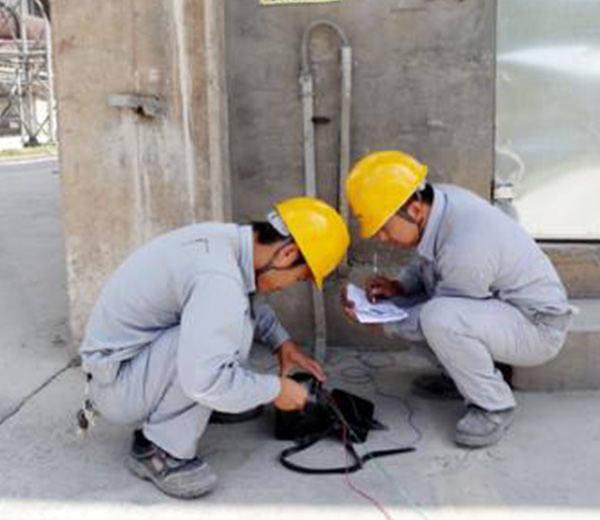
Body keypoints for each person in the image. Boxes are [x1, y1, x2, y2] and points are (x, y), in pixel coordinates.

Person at [79, 197, 350, 498]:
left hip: (126, 368)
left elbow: (250, 297)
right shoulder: (220, 280)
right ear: (287, 253)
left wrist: (281, 342)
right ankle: (157, 448)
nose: (286, 286)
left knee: (229, 325)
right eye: (297, 278)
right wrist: (277, 390)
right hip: (118, 388)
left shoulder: (228, 242)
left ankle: (199, 404)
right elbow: (204, 377)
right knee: (221, 345)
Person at [342, 150, 571, 448]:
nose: (382, 237)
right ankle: (462, 379)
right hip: (502, 312)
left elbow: (439, 316)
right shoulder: (440, 203)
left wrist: (381, 322)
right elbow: (427, 261)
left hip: (537, 327)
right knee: (417, 313)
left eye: (384, 226)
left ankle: (493, 404)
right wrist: (400, 288)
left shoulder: (467, 243)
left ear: (413, 209)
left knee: (436, 318)